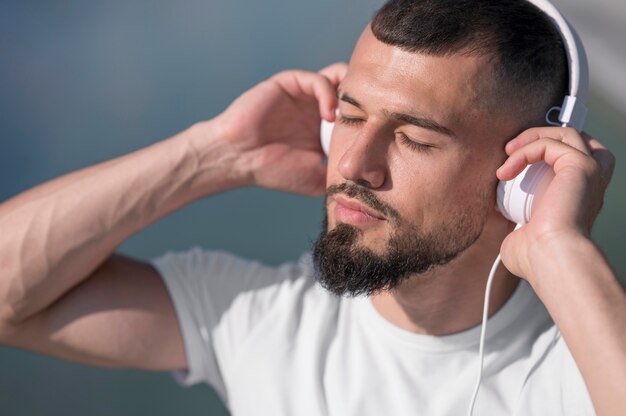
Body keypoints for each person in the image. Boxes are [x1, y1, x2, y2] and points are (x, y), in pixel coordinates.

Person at [0, 0, 623, 414]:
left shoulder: (582, 367)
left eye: (414, 138)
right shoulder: (255, 320)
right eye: (349, 116)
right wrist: (213, 154)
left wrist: (559, 248)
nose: (353, 166)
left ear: (526, 173)